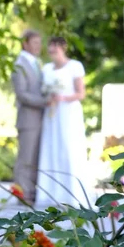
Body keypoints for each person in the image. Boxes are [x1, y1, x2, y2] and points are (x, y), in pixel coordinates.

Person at [35, 36, 87, 208]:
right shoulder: (47, 68)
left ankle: (71, 194)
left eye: (55, 50)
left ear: (63, 49)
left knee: (68, 148)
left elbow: (81, 93)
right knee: (51, 148)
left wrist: (63, 97)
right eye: (50, 51)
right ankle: (50, 193)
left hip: (68, 112)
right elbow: (43, 89)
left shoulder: (75, 66)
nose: (52, 54)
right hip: (52, 113)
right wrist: (49, 97)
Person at [12, 30, 48, 204]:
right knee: (25, 158)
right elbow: (22, 94)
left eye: (39, 43)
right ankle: (22, 194)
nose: (38, 47)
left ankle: (31, 192)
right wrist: (45, 101)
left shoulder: (37, 63)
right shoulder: (20, 65)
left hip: (41, 119)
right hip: (28, 119)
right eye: (34, 43)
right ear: (25, 44)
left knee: (34, 158)